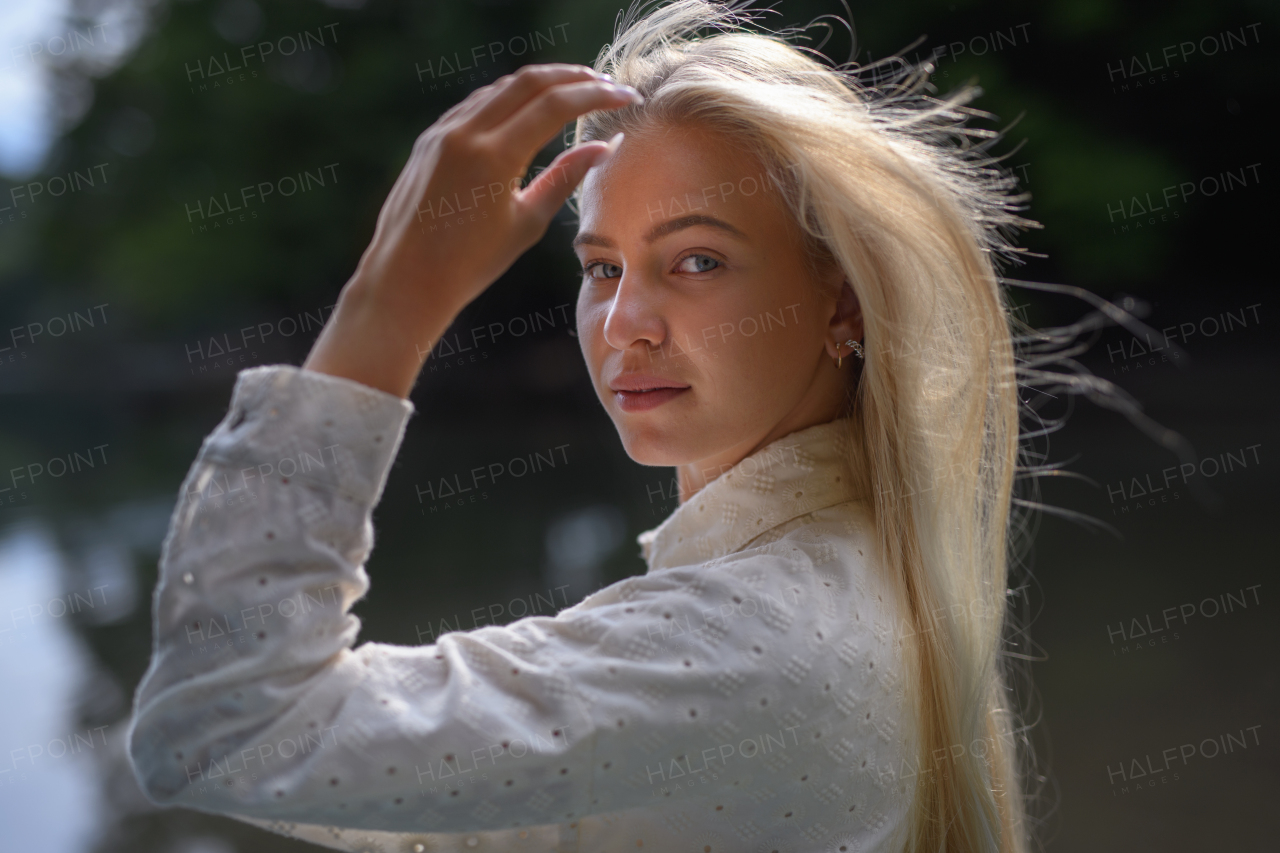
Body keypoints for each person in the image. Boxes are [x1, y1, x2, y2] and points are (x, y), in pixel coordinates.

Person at [128, 1, 1039, 851]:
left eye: (696, 259)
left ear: (841, 302)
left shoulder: (732, 642)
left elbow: (217, 729)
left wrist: (391, 300)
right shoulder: (864, 573)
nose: (624, 322)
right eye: (602, 268)